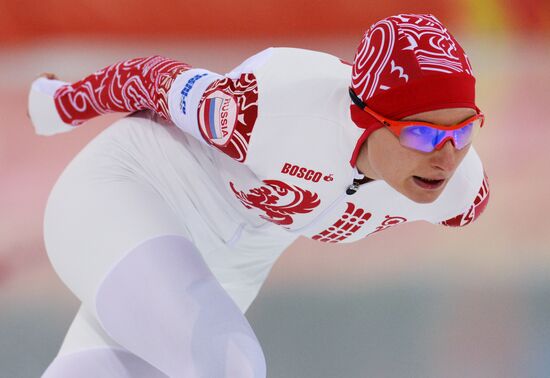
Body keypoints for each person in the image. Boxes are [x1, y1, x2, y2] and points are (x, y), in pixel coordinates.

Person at [28, 13, 490, 378]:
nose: (446, 158)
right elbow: (150, 78)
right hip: (127, 194)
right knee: (229, 363)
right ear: (367, 117)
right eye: (423, 135)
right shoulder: (265, 108)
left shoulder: (461, 192)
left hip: (227, 268)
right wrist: (55, 104)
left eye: (464, 129)